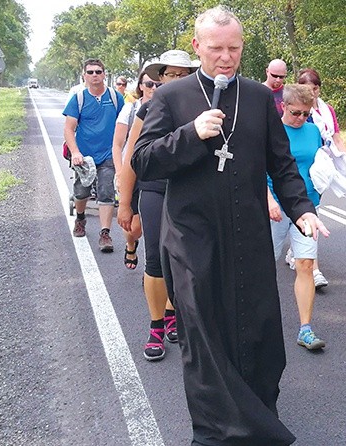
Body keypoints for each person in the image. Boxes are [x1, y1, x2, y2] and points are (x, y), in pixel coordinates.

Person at [131, 6, 328, 445]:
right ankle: (216, 432)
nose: (226, 56)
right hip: (192, 237)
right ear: (198, 46)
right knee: (204, 335)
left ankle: (259, 413)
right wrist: (191, 134)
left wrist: (302, 209)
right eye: (216, 48)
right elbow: (143, 160)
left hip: (250, 233)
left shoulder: (259, 97)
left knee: (257, 327)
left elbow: (282, 164)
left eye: (234, 48)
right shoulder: (171, 97)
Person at [117, 50, 197, 361]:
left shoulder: (202, 107)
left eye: (182, 74)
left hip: (188, 191)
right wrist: (126, 203)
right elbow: (131, 158)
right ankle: (156, 327)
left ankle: (173, 313)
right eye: (170, 74)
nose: (175, 80)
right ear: (160, 78)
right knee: (155, 259)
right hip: (153, 190)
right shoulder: (147, 109)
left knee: (183, 258)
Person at [268, 84, 326, 351]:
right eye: (296, 113)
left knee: (305, 265)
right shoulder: (272, 131)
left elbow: (319, 164)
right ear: (283, 106)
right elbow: (256, 169)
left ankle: (305, 329)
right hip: (275, 209)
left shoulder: (313, 131)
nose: (301, 118)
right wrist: (268, 200)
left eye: (306, 113)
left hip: (306, 209)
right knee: (263, 266)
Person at [289, 67, 346, 288]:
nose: (313, 93)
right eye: (308, 89)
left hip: (322, 164)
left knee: (311, 205)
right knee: (306, 208)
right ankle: (314, 269)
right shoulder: (298, 111)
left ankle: (296, 249)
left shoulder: (327, 109)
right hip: (301, 163)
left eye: (316, 88)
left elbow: (336, 137)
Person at [64, 58, 124, 252]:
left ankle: (105, 234)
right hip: (84, 157)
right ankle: (80, 218)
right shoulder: (79, 99)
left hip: (108, 154)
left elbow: (124, 125)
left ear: (104, 74)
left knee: (106, 192)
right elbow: (69, 129)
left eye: (98, 71)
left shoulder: (115, 98)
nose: (94, 75)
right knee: (81, 192)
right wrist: (75, 153)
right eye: (90, 72)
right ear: (84, 76)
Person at [111, 69, 158, 270]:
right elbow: (118, 145)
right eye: (149, 84)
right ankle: (131, 244)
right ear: (140, 86)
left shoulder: (169, 106)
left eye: (158, 84)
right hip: (132, 171)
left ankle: (153, 268)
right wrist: (120, 173)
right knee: (135, 228)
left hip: (155, 174)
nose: (154, 88)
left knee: (153, 224)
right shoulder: (131, 110)